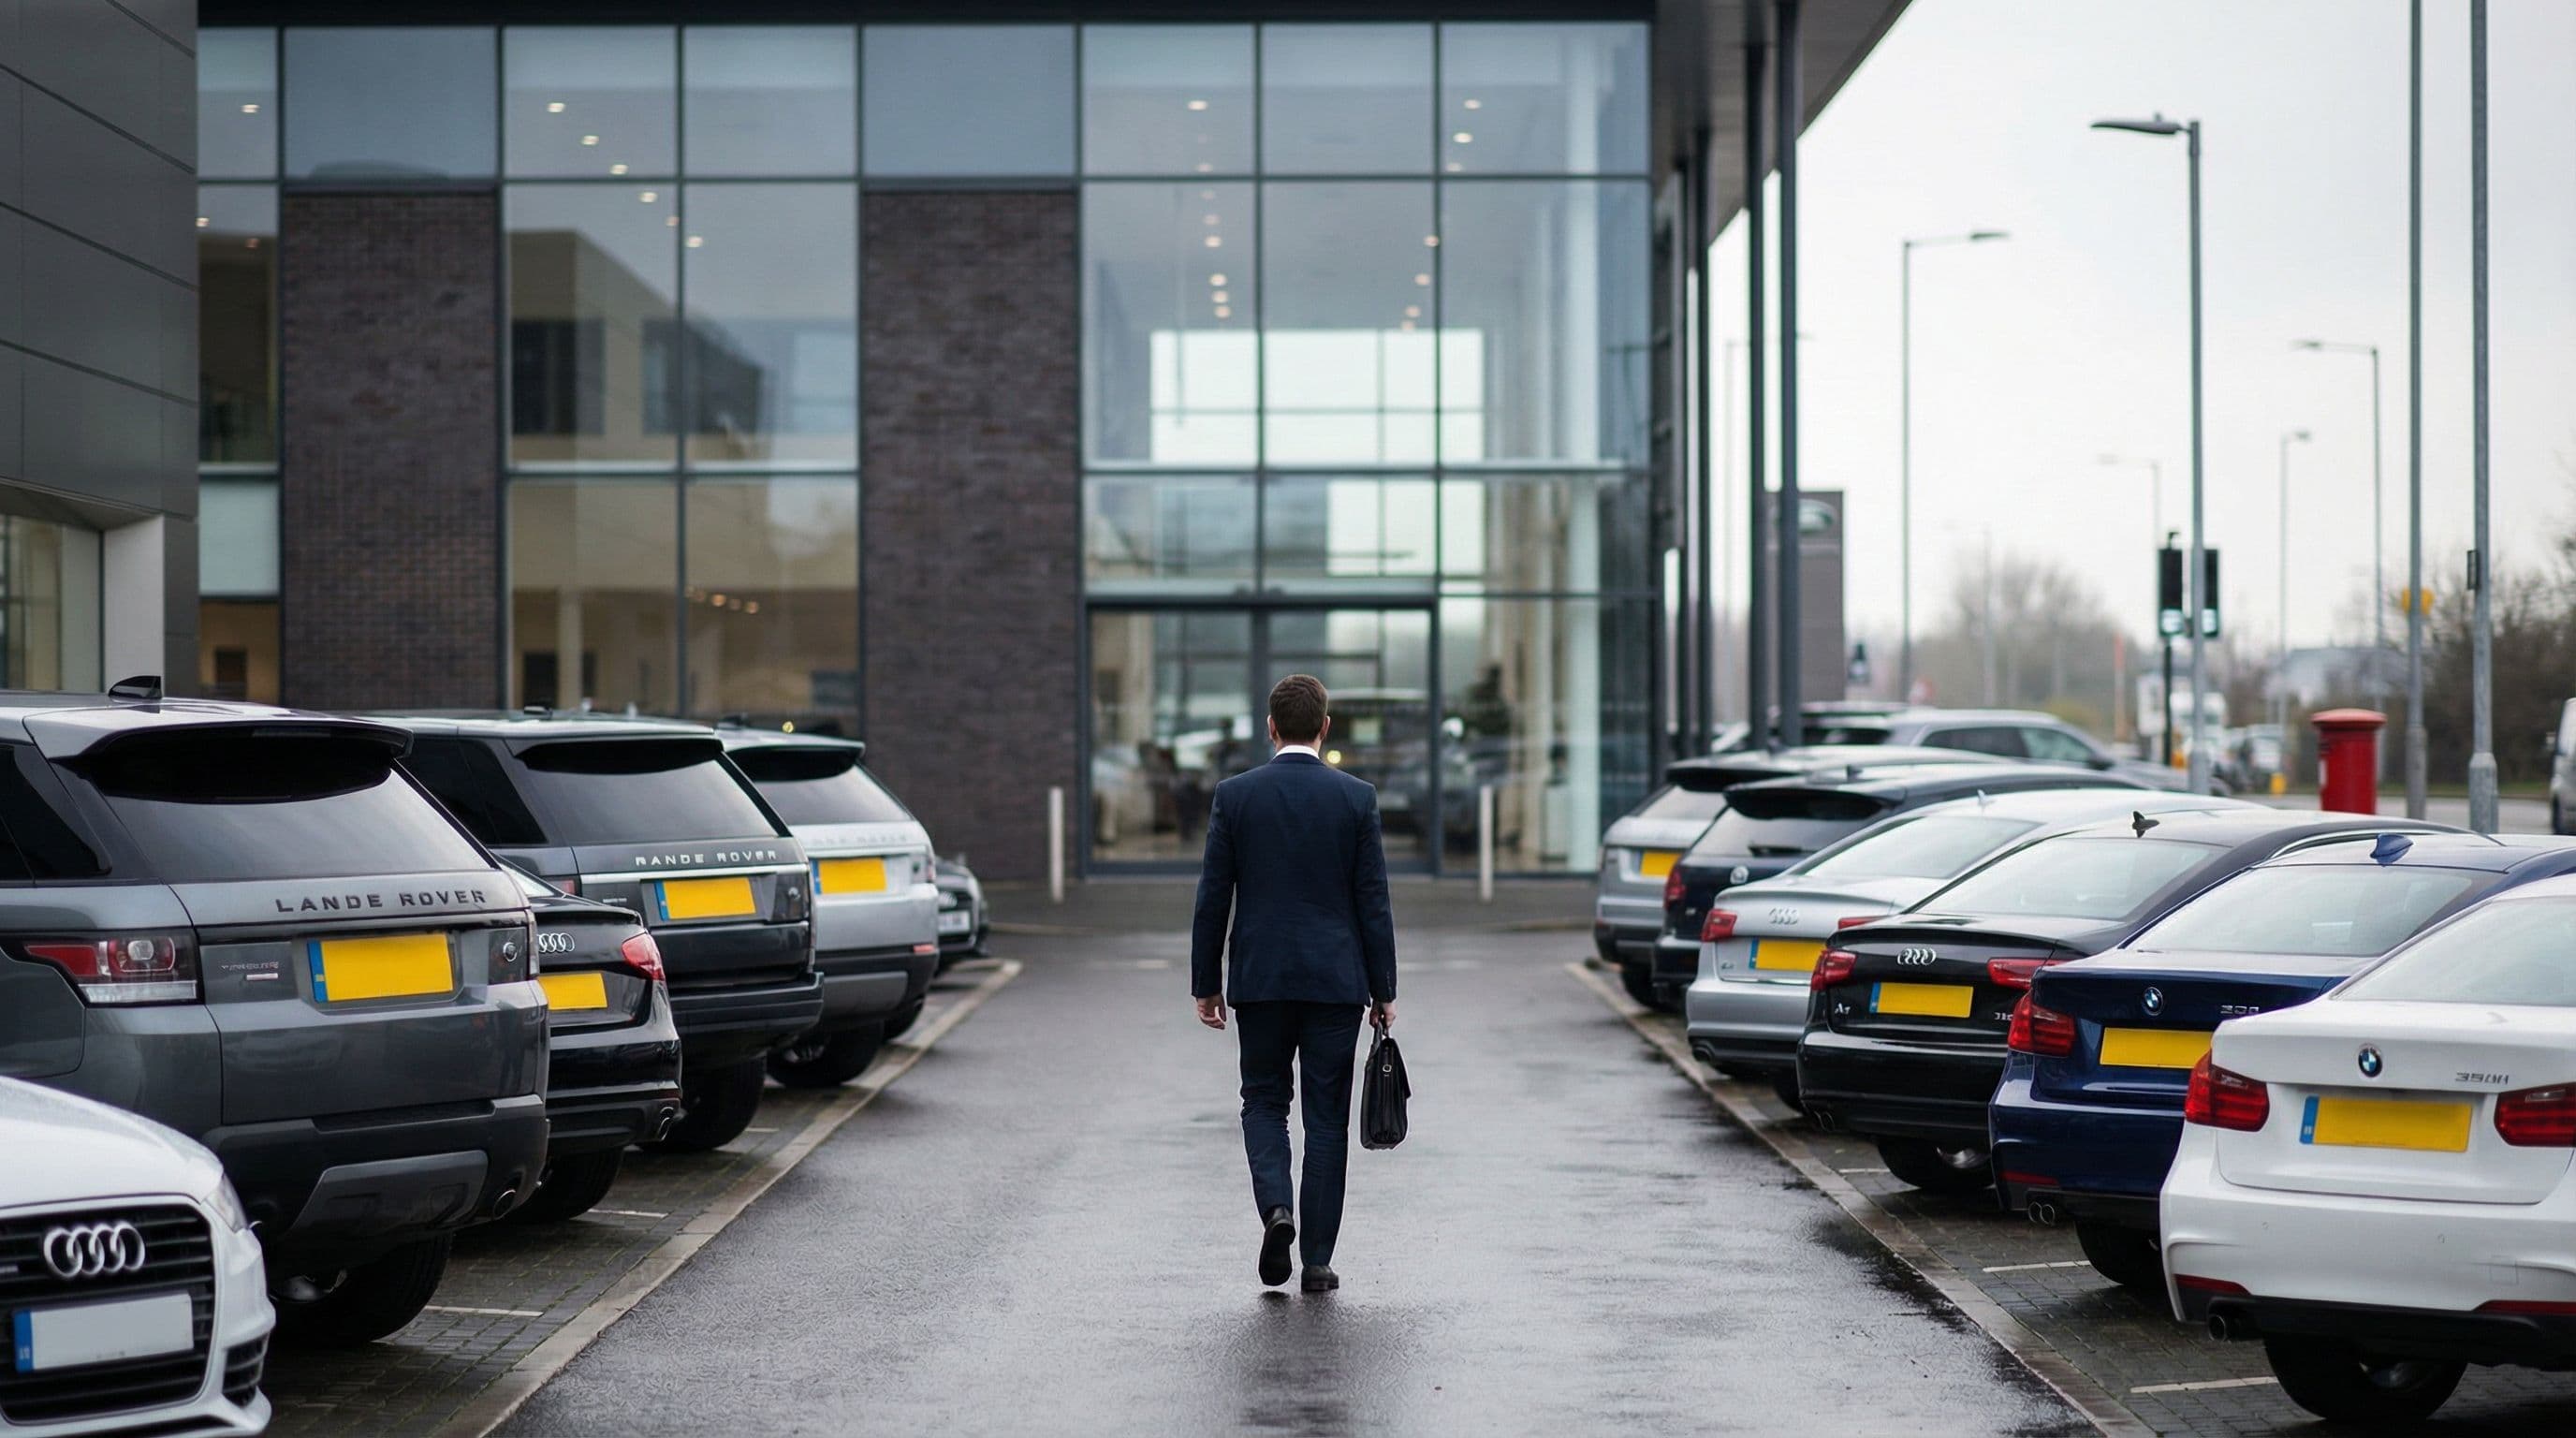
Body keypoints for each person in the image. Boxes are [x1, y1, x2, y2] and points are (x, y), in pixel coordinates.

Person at [1191, 674, 1398, 1294]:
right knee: (1327, 1120)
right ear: (1326, 727)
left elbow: (1212, 897)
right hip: (1336, 981)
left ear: (1271, 727)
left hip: (1260, 979)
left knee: (1263, 1101)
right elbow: (1373, 901)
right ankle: (1318, 1262)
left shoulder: (1235, 796)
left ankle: (1276, 1207)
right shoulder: (1356, 798)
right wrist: (1384, 989)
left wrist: (1206, 983)